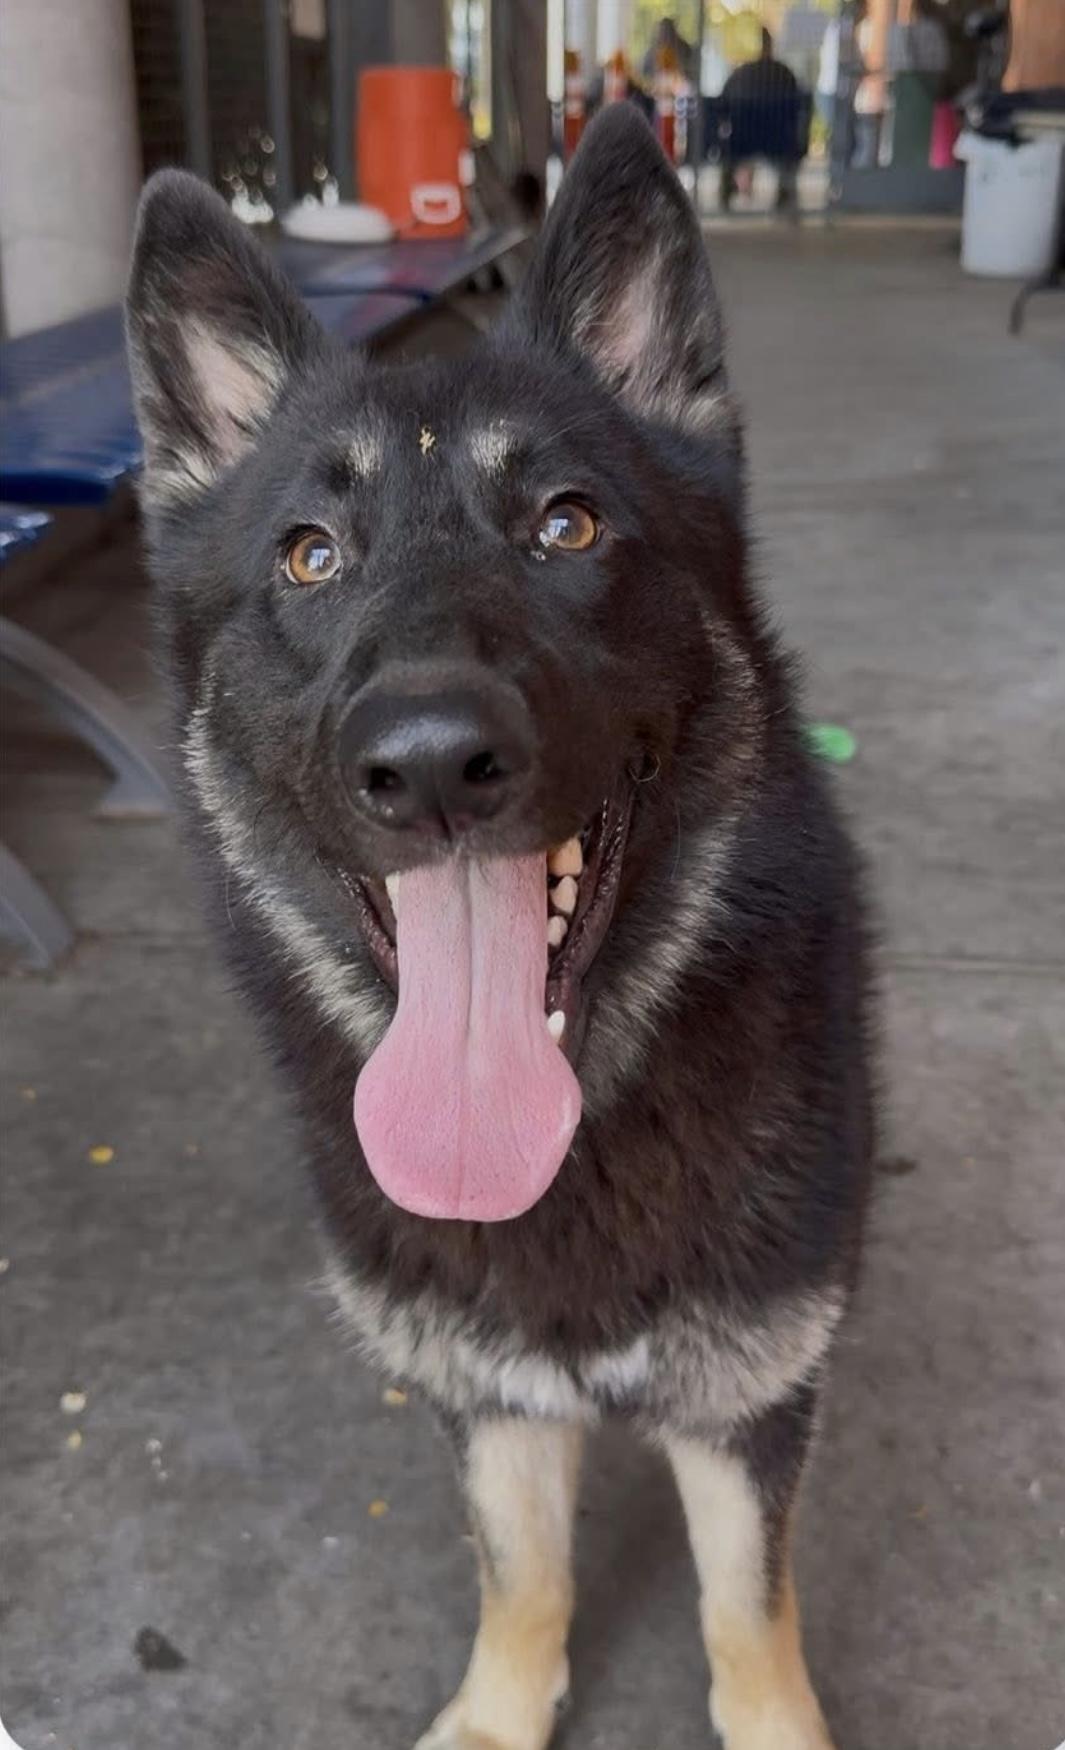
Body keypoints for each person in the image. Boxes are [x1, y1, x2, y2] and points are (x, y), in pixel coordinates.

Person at [719, 28, 805, 212]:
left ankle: (726, 191)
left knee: (731, 148)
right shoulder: (785, 75)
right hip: (778, 141)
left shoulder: (739, 76)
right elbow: (798, 109)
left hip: (742, 141)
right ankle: (785, 194)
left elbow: (721, 107)